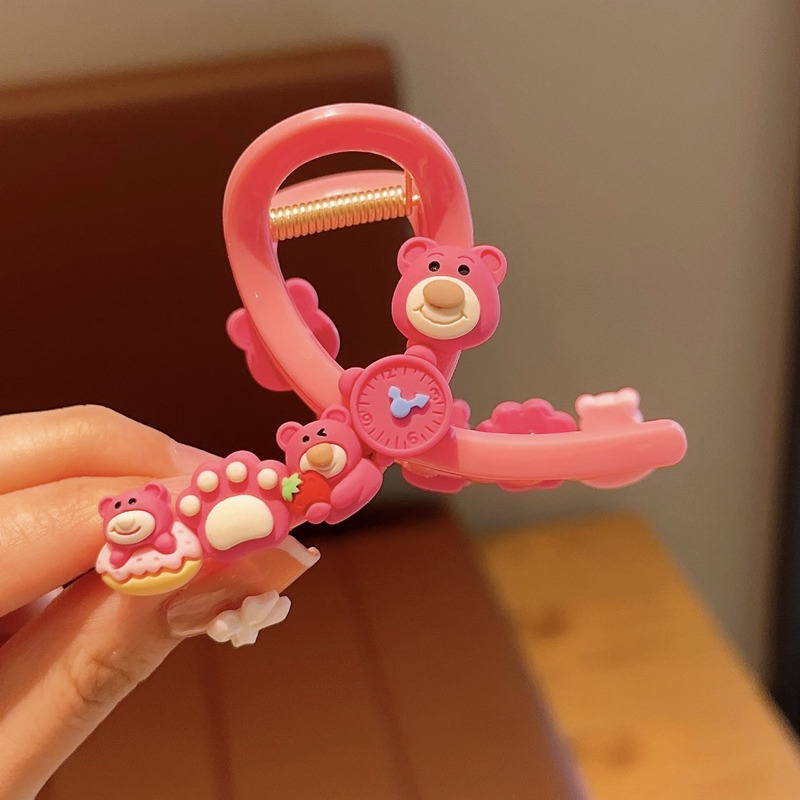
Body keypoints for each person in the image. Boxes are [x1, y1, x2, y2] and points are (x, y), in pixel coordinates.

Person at [0, 405, 275, 799]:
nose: (126, 515)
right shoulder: (115, 554)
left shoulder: (171, 537)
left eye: (131, 506)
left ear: (156, 500)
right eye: (118, 508)